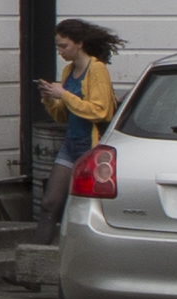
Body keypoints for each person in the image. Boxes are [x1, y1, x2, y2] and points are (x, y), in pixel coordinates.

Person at [33, 20, 120, 233]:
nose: (60, 51)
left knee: (86, 205)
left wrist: (64, 94)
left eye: (65, 46)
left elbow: (100, 111)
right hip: (70, 142)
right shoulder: (68, 72)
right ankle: (39, 251)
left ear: (80, 44)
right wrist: (49, 99)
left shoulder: (96, 69)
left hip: (90, 144)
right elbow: (64, 117)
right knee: (49, 203)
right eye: (58, 47)